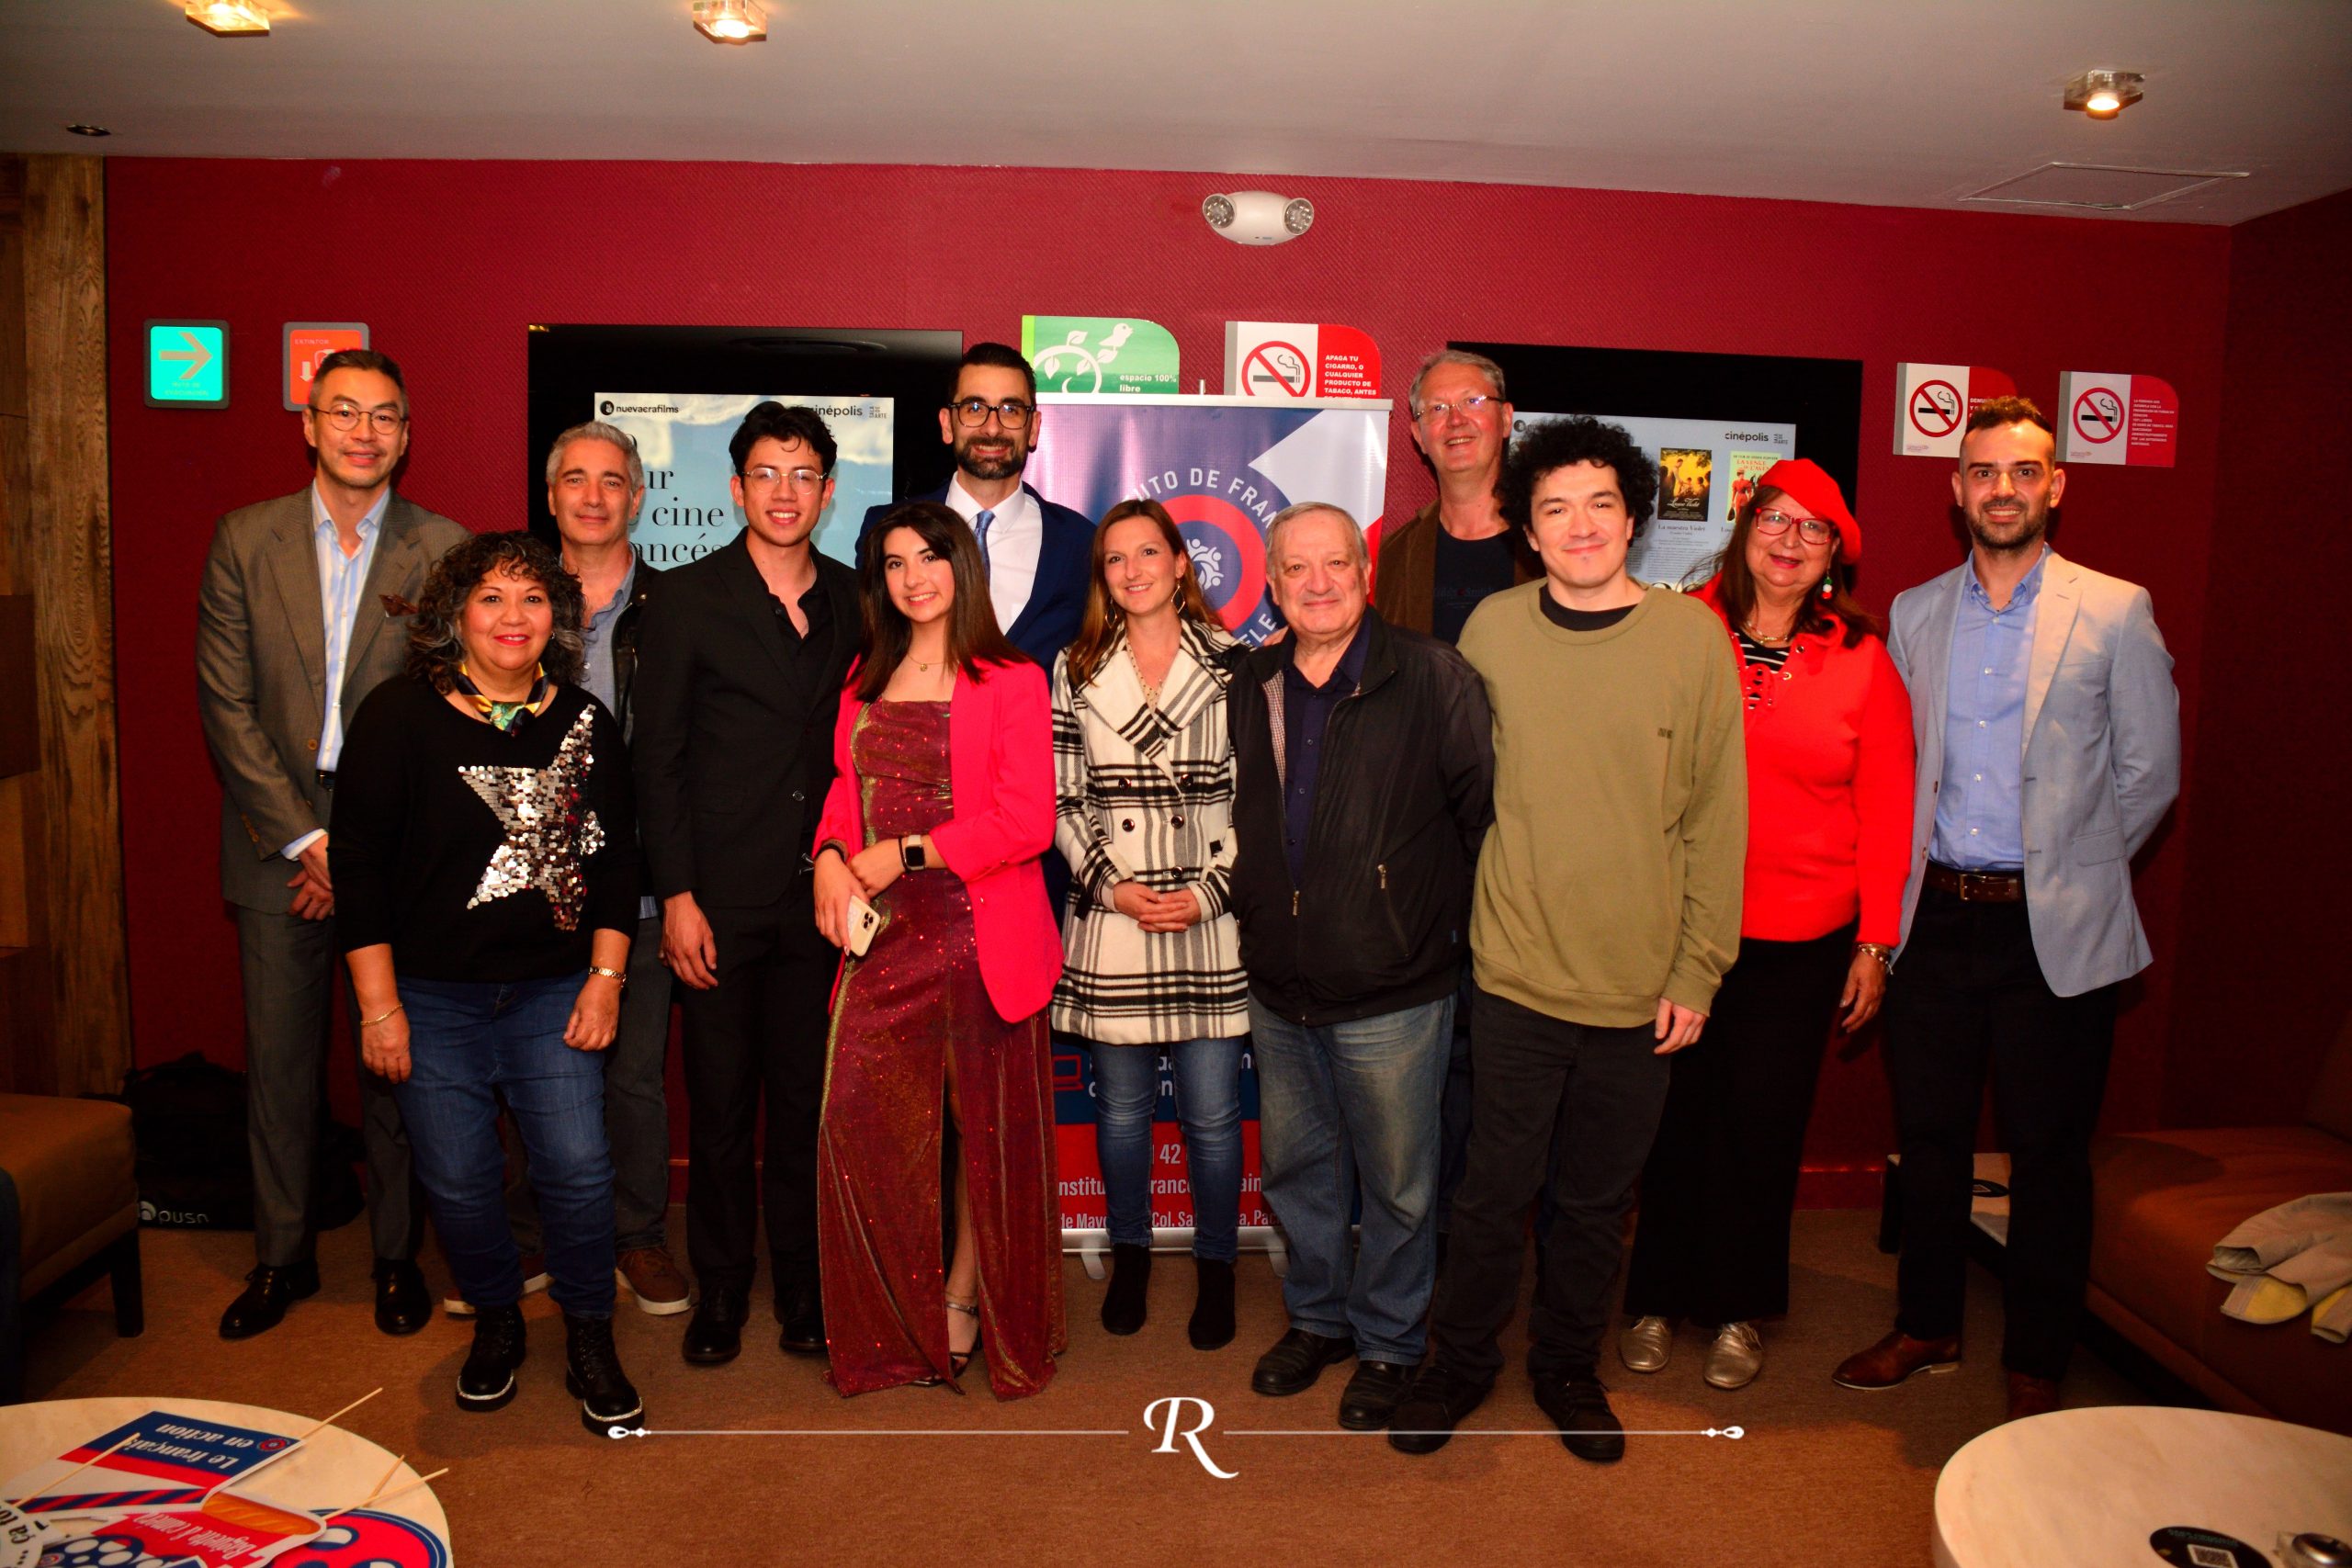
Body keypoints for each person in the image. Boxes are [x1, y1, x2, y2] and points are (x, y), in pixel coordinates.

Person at [1392, 415, 1746, 1464]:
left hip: (1640, 986)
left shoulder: (1692, 639)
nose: (1580, 525)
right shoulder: (1492, 630)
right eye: (1555, 507)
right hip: (1512, 972)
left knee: (1592, 1206)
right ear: (1528, 528)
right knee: (1490, 1194)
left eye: (1600, 503)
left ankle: (1565, 1367)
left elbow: (1716, 816)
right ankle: (1459, 1362)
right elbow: (1452, 791)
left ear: (1633, 519)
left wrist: (1698, 970)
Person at [1833, 397, 2179, 1423]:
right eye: (1983, 471)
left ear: (2054, 486)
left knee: (2049, 1155)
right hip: (1936, 921)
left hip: (2052, 929)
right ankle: (1927, 1325)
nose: (2002, 489)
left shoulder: (2114, 609)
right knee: (1931, 1139)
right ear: (1957, 488)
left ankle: (2037, 1356)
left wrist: (2070, 869)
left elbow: (2149, 773)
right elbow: (1899, 770)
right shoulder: (1914, 612)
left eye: (2023, 471)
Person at [329, 531, 643, 1434]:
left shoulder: (586, 723)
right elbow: (359, 873)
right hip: (431, 1000)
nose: (514, 617)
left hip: (554, 992)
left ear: (557, 618)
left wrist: (606, 979)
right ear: (455, 615)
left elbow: (617, 864)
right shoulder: (396, 716)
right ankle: (498, 1318)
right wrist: (379, 1010)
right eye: (492, 598)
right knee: (460, 1181)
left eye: (533, 598)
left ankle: (589, 1330)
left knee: (578, 1171)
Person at [1620, 458, 1915, 1390]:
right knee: (1671, 1119)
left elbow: (1889, 807)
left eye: (1813, 528)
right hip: (1679, 925)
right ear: (1744, 530)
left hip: (1802, 936)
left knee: (1761, 1125)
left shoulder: (1863, 659)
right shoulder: (1677, 627)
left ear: (1833, 556)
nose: (1790, 540)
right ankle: (1653, 1297)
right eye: (1775, 519)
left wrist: (1875, 942)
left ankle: (1738, 1308)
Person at [196, 347, 464, 1341]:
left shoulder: (443, 548)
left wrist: (354, 853)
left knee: (393, 1063)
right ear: (309, 426)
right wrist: (305, 840)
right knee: (280, 1064)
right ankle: (282, 1255)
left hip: (393, 850)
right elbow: (225, 705)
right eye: (344, 412)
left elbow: (445, 713)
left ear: (406, 435)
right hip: (275, 846)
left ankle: (395, 1256)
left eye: (384, 415)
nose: (364, 432)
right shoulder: (245, 538)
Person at [1226, 502, 1494, 1433]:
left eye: (1335, 563)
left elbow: (1481, 822)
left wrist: (1435, 935)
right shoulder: (1251, 679)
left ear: (1365, 571)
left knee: (1399, 1183)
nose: (1318, 583)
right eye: (1296, 569)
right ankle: (1317, 1320)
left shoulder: (1433, 676)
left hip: (1394, 986)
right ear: (1272, 584)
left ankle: (1389, 1340)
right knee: (1300, 1172)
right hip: (1280, 982)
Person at [811, 502, 1067, 1398]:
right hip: (885, 939)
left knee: (985, 1140)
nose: (914, 577)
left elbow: (1029, 822)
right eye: (894, 563)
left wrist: (910, 852)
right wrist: (830, 855)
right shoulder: (864, 676)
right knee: (861, 1123)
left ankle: (963, 1298)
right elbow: (845, 787)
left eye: (930, 556)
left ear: (963, 565)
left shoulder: (1010, 677)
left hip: (981, 933)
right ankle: (890, 1323)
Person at [630, 402, 861, 1365]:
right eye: (766, 473)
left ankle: (802, 1287)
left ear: (828, 492)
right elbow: (657, 762)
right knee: (721, 1108)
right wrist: (677, 895)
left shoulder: (857, 599)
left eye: (803, 475)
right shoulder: (686, 598)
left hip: (824, 901)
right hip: (718, 900)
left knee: (807, 1106)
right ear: (735, 488)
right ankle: (723, 1288)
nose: (784, 491)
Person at [462, 423, 686, 1319]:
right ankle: (532, 1237)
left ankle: (637, 1234)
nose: (593, 496)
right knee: (527, 1066)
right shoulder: (508, 603)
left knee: (631, 1072)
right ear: (551, 495)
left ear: (638, 497)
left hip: (638, 881)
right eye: (575, 480)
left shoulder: (676, 608)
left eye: (612, 480)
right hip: (521, 882)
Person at [1048, 499, 1250, 1348]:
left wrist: (1211, 892)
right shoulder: (1075, 667)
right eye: (1115, 558)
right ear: (1103, 576)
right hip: (1117, 916)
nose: (1133, 570)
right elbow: (1064, 799)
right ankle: (1130, 1255)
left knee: (1212, 1117)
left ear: (1180, 563)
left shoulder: (1238, 664)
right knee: (1124, 1114)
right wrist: (1111, 886)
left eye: (1148, 553)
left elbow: (1261, 799)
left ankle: (1217, 1267)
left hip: (1205, 915)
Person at [1375, 348, 1540, 1258]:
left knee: (1512, 1056)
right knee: (1430, 1053)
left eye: (1474, 401)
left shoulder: (1552, 539)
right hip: (1428, 845)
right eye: (1437, 409)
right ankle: (1432, 1246)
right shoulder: (1400, 553)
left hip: (1532, 837)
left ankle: (1495, 1246)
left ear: (1507, 418)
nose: (1457, 420)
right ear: (1416, 434)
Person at [858, 342, 1093, 670]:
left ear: (1034, 428)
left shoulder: (1080, 542)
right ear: (947, 424)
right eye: (974, 408)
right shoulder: (885, 527)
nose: (992, 428)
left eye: (1010, 410)